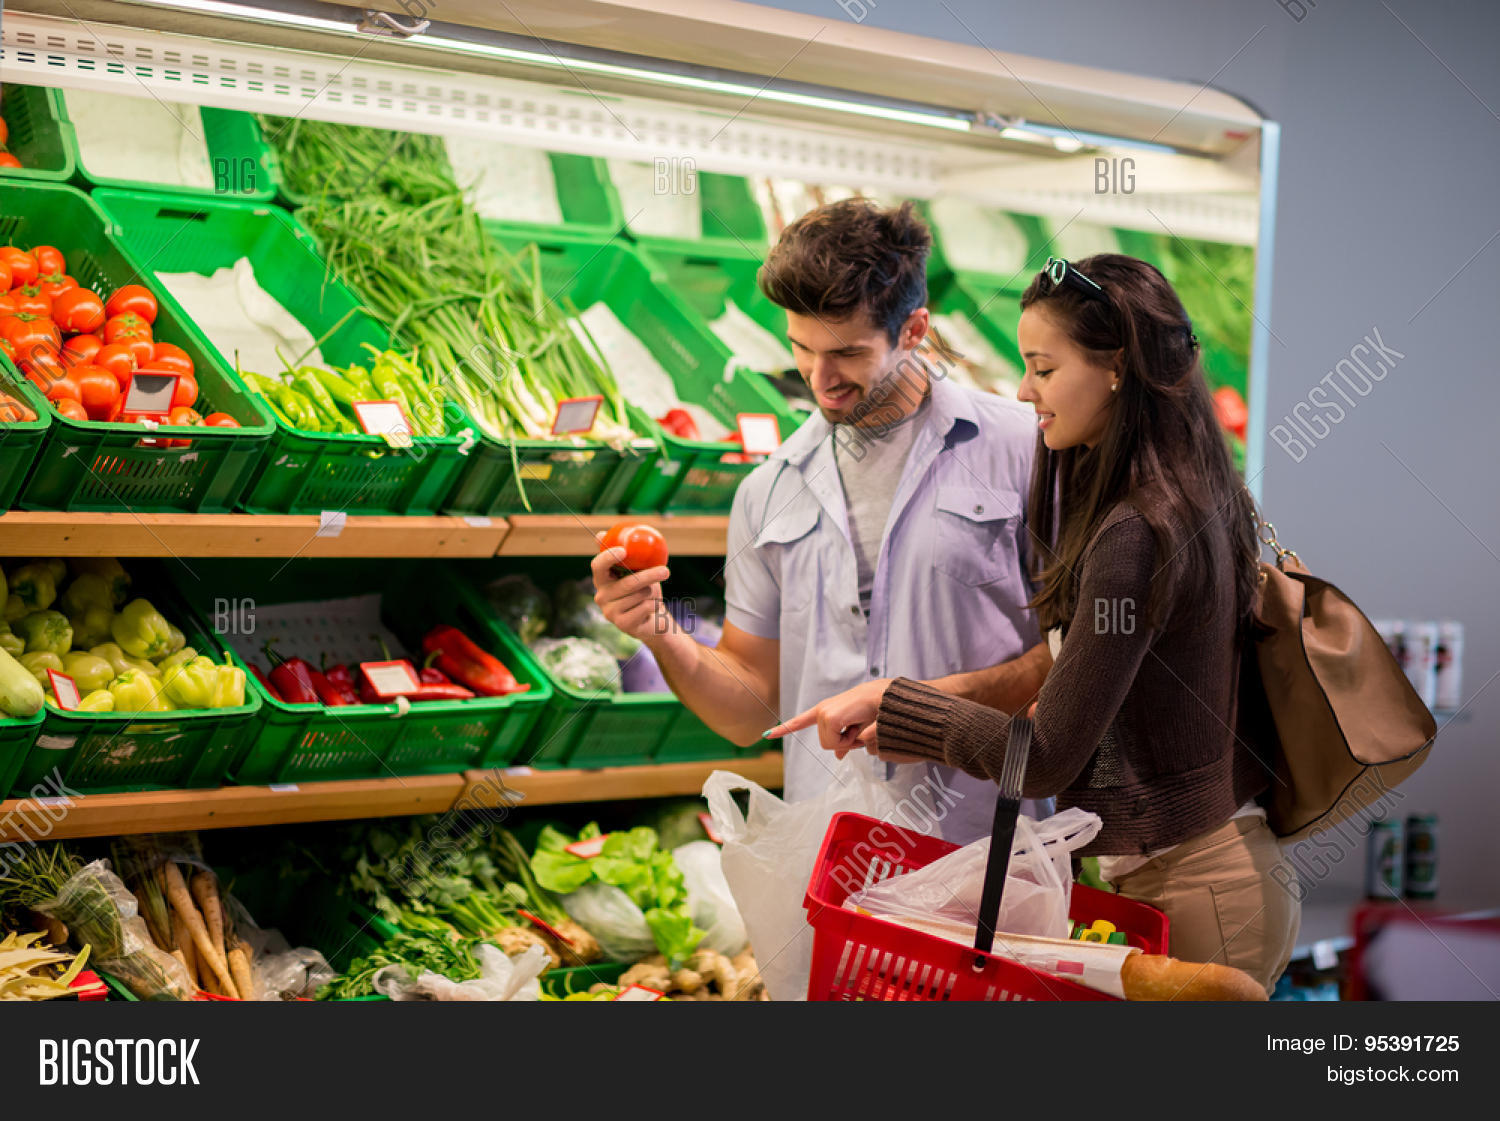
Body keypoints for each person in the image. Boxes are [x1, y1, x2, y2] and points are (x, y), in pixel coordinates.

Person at [770, 253, 1300, 994]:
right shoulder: (1192, 487)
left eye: (1043, 369)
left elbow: (1046, 754)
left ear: (1116, 368)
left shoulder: (1134, 533)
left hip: (1195, 887)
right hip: (1199, 869)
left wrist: (903, 705)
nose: (1024, 392)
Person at [591, 198, 1048, 842]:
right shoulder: (768, 489)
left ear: (914, 330)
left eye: (847, 354)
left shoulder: (1024, 448)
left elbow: (1073, 659)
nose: (819, 379)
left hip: (990, 847)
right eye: (801, 349)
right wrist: (661, 632)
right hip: (828, 859)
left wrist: (922, 710)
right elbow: (750, 707)